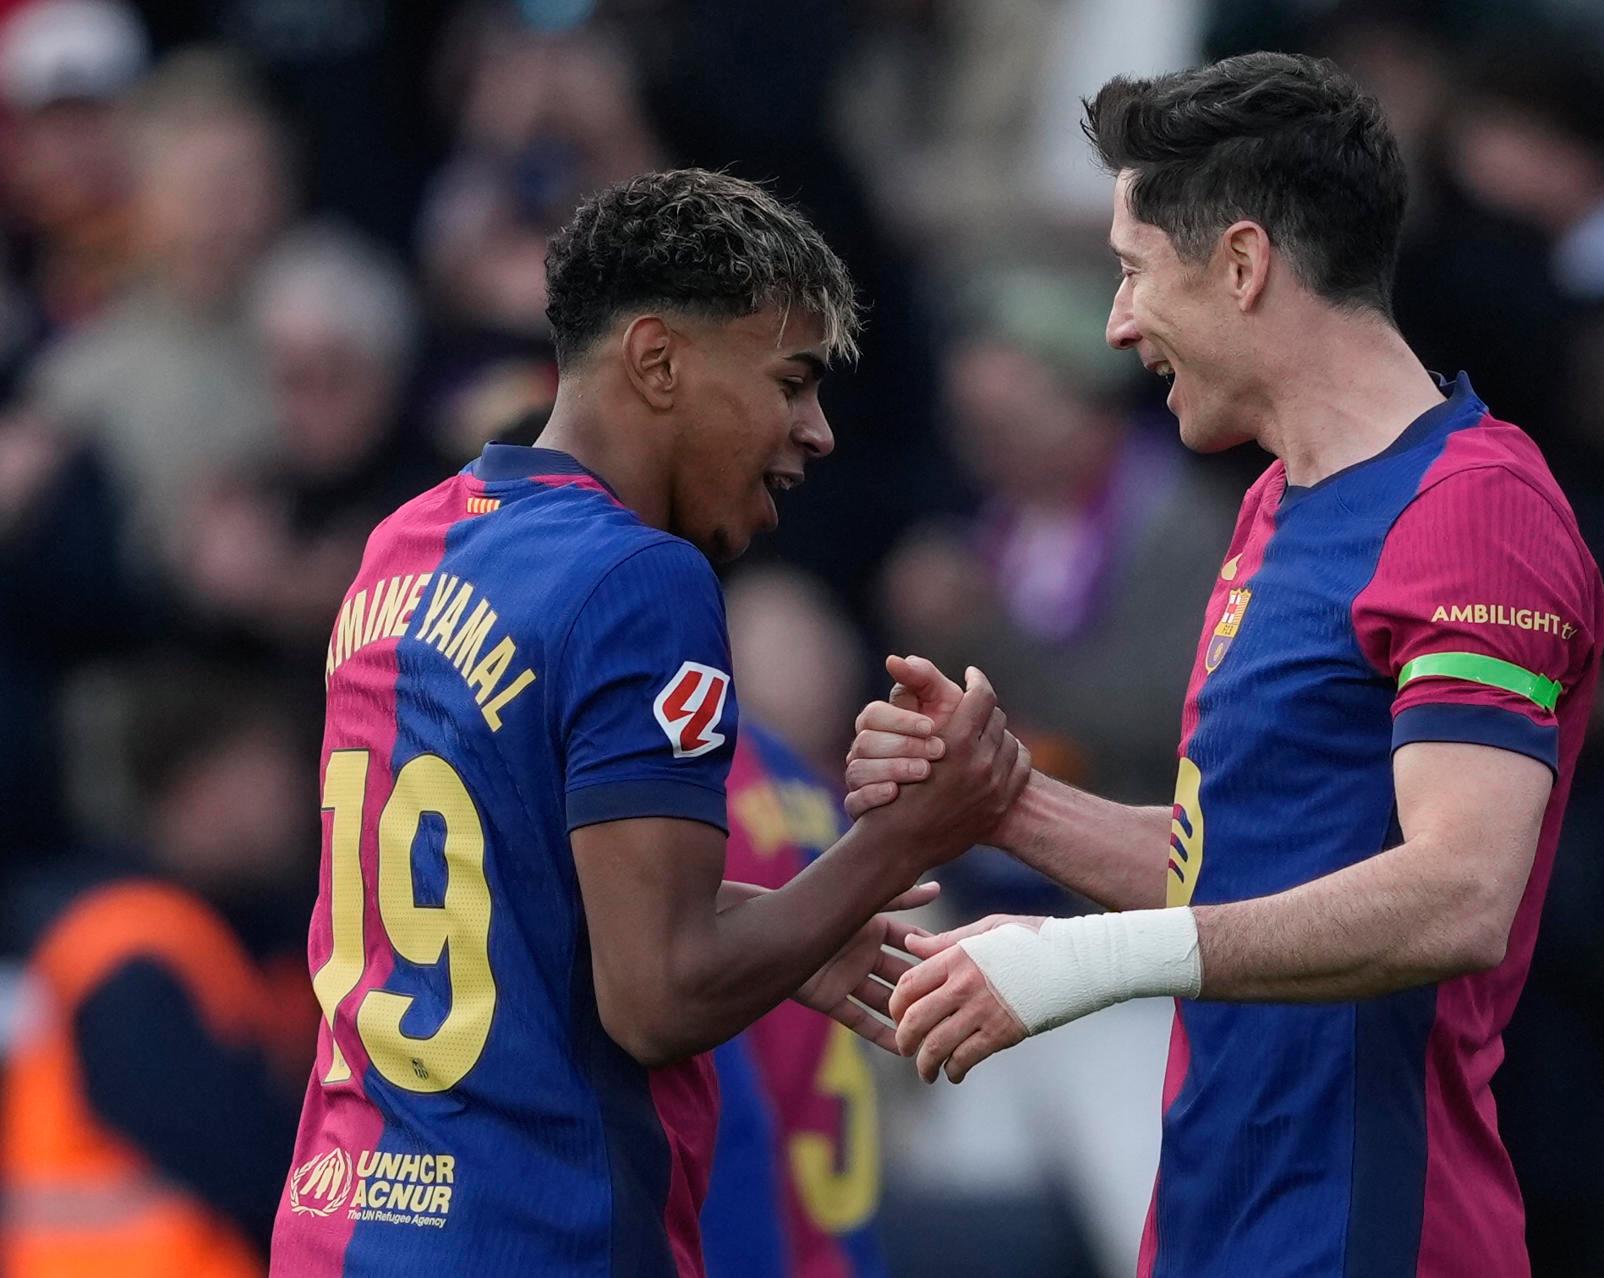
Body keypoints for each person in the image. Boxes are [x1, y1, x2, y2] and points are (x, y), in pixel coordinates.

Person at [844, 53, 1604, 1276]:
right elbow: (1243, 858)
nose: (1117, 323)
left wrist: (1085, 958)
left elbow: (1461, 894)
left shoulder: (1474, 512)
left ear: (1242, 265)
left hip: (1371, 1232)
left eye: (1133, 268)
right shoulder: (1271, 509)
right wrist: (1002, 801)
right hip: (1217, 1215)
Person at [268, 169, 1027, 1277]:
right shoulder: (639, 577)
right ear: (659, 361)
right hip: (536, 1239)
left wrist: (784, 932)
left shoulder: (404, 544)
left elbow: (508, 882)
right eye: (792, 381)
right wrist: (909, 836)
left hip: (342, 1225)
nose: (817, 431)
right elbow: (660, 999)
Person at [1, 664, 313, 1278]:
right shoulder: (131, 948)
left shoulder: (208, 929)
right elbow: (243, 1160)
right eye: (267, 772)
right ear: (200, 787)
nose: (297, 796)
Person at [703, 720, 888, 1278]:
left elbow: (719, 1120)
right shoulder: (788, 771)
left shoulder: (669, 784)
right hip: (838, 1242)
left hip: (755, 1243)